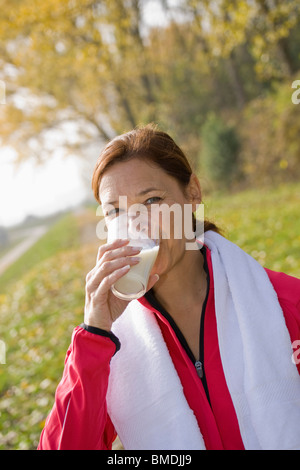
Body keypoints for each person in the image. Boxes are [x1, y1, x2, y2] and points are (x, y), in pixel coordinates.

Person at [38, 124, 300, 450]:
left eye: (151, 200)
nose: (135, 224)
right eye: (115, 211)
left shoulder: (285, 303)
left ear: (192, 194)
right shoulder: (107, 344)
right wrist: (96, 333)